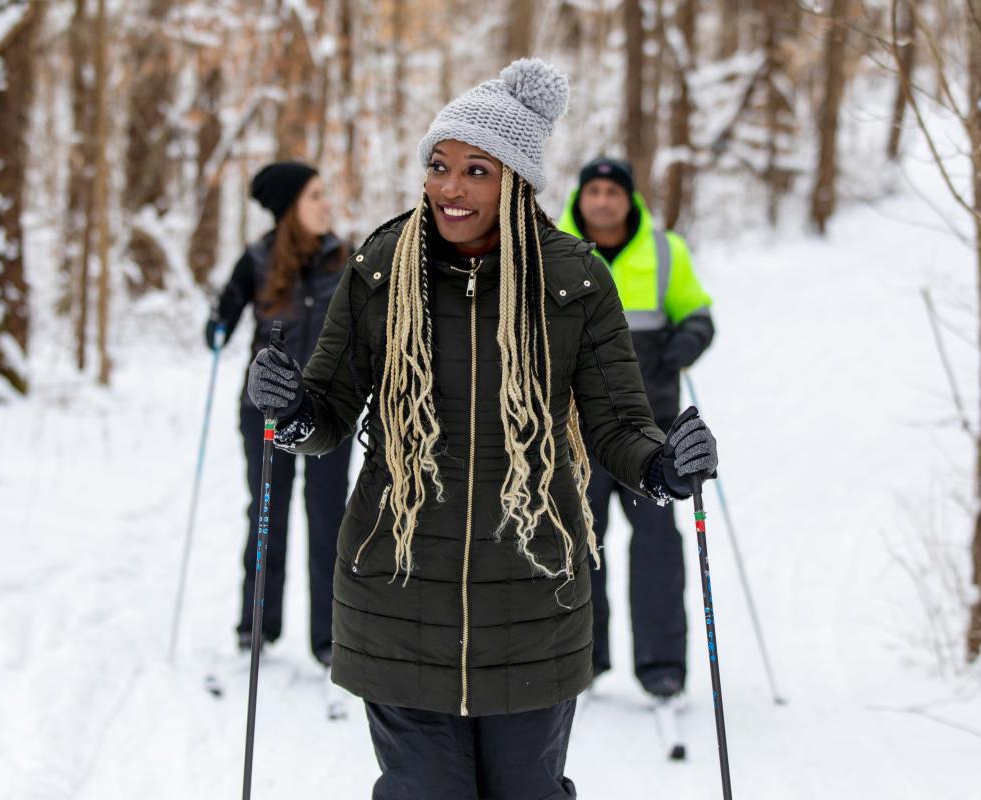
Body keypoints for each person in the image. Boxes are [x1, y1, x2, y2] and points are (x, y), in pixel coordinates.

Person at [246, 60, 718, 799]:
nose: (451, 188)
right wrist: (293, 409)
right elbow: (329, 413)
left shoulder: (575, 281)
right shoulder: (380, 269)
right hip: (397, 592)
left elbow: (619, 424)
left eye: (476, 170)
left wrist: (664, 468)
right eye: (439, 166)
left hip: (531, 598)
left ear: (518, 182)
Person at [558, 157, 715, 700]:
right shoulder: (551, 251)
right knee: (578, 545)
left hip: (653, 432)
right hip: (574, 432)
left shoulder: (665, 250)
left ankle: (661, 664)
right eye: (593, 190)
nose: (602, 201)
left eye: (613, 191)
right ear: (581, 198)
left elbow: (697, 310)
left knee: (656, 547)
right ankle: (583, 657)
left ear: (630, 199)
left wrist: (690, 336)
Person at [206, 162, 352, 665]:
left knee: (328, 518)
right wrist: (218, 324)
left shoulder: (345, 259)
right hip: (264, 411)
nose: (326, 204)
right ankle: (257, 626)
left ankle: (329, 638)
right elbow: (222, 317)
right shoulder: (257, 258)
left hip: (329, 412)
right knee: (267, 513)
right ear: (291, 206)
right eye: (316, 195)